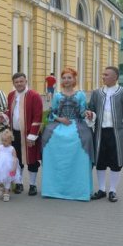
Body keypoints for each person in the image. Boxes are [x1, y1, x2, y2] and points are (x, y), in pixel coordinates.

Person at [41, 68, 94, 201]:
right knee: (47, 137)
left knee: (86, 137)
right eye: (64, 78)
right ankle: (53, 188)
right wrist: (60, 119)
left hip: (76, 124)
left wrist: (87, 113)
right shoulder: (57, 95)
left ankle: (78, 189)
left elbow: (82, 112)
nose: (66, 80)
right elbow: (51, 113)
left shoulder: (80, 95)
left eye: (69, 77)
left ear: (74, 79)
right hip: (60, 124)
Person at [86, 66, 123, 202]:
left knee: (116, 162)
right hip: (100, 133)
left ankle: (113, 191)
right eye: (103, 74)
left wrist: (121, 121)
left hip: (117, 133)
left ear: (115, 77)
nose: (103, 76)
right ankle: (102, 189)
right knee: (100, 161)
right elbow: (91, 108)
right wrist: (91, 115)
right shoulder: (97, 93)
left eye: (106, 75)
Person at [5, 72, 43, 196]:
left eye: (21, 81)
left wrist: (32, 135)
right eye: (16, 82)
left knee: (31, 160)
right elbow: (8, 112)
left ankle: (32, 185)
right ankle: (19, 183)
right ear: (13, 83)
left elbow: (38, 116)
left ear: (26, 81)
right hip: (15, 133)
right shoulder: (11, 95)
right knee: (17, 160)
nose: (19, 84)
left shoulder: (34, 95)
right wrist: (3, 118)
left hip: (29, 134)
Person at [0, 130, 21, 202]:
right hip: (0, 166)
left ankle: (6, 193)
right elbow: (0, 156)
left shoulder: (12, 149)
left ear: (10, 140)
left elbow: (15, 159)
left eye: (5, 141)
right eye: (2, 140)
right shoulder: (0, 147)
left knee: (8, 179)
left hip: (9, 167)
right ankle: (1, 186)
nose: (3, 142)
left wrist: (14, 168)